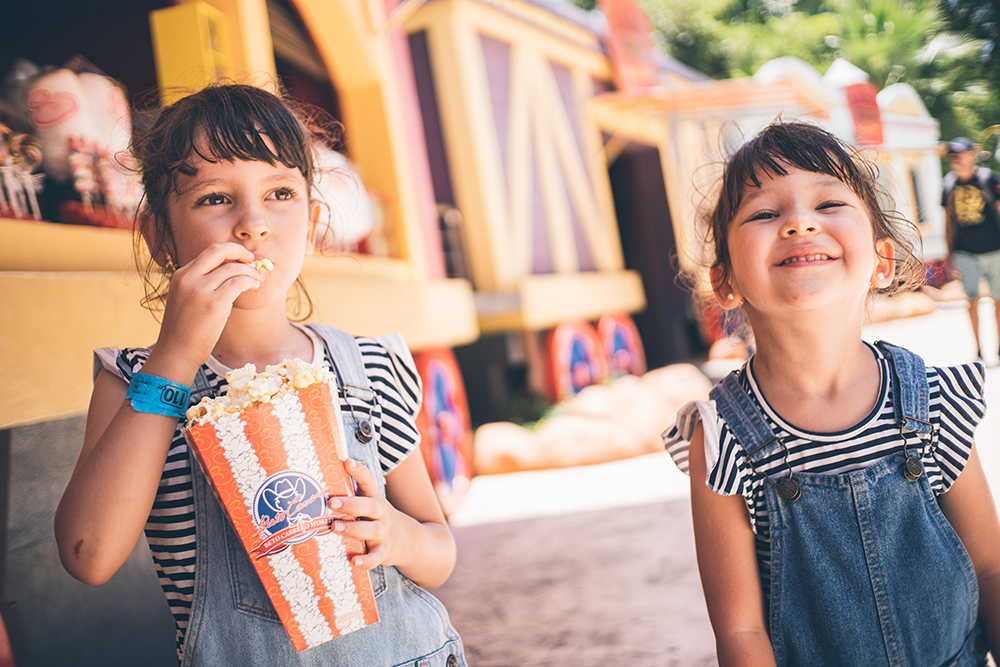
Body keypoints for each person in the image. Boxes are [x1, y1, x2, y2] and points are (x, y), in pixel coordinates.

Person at [54, 84, 466, 667]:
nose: (253, 225)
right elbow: (87, 555)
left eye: (279, 193)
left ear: (313, 221)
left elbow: (439, 549)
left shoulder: (367, 367)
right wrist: (174, 357)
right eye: (214, 198)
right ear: (161, 236)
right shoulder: (131, 381)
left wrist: (398, 536)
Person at [664, 121, 1000, 666]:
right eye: (765, 213)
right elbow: (741, 633)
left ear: (881, 260)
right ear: (724, 280)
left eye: (828, 203)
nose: (799, 223)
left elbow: (990, 570)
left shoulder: (936, 400)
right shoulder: (721, 437)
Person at [942, 137, 1000, 360]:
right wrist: (949, 254)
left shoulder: (987, 178)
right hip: (965, 251)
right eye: (951, 155)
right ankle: (978, 350)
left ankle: (999, 347)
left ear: (971, 154)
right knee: (972, 301)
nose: (955, 158)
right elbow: (948, 221)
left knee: (998, 300)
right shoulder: (948, 184)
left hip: (995, 248)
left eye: (959, 153)